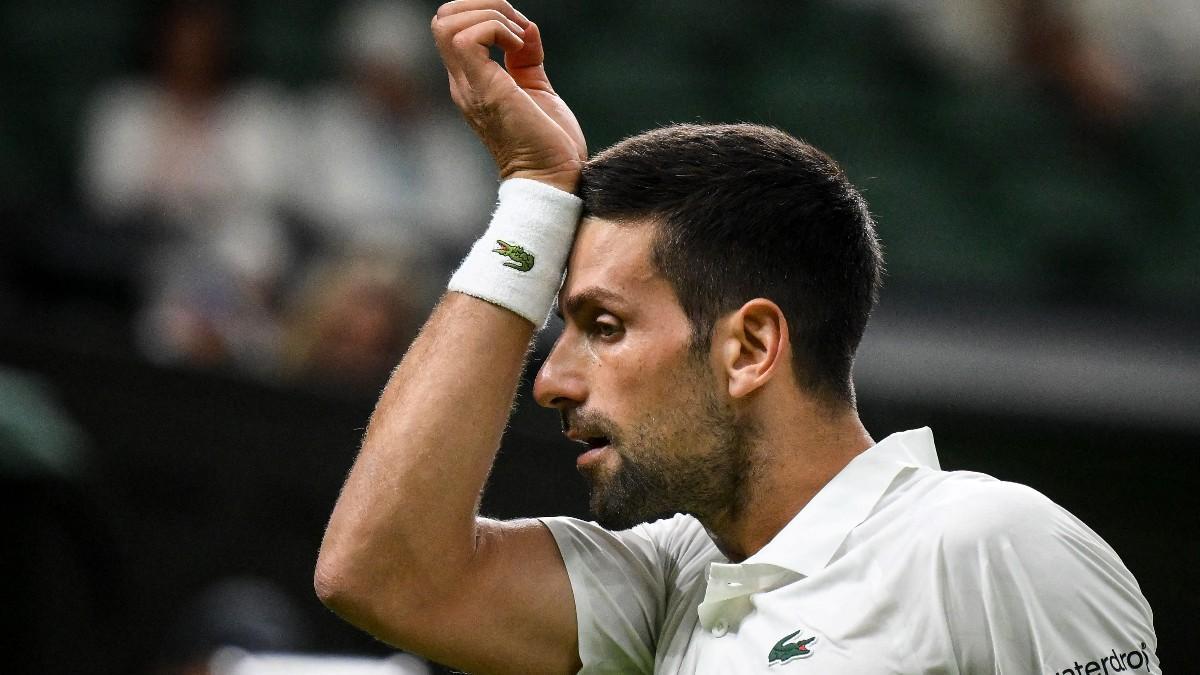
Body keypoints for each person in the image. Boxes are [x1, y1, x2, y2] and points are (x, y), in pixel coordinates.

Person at [315, 2, 1159, 673]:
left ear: (751, 347)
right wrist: (534, 196)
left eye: (603, 327)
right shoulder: (662, 580)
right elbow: (380, 572)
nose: (550, 381)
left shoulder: (988, 541)